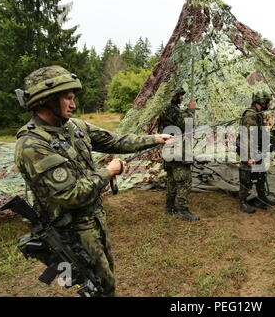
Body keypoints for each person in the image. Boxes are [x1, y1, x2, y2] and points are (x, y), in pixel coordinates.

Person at [14, 65, 174, 296]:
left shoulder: (74, 127)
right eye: (67, 99)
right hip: (70, 231)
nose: (73, 104)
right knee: (97, 286)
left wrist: (155, 139)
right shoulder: (32, 145)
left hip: (93, 219)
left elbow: (115, 142)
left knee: (107, 275)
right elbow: (70, 195)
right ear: (46, 100)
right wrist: (108, 171)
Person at [157, 87, 200, 221]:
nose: (181, 97)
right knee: (184, 180)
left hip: (170, 150)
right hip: (176, 151)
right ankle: (183, 210)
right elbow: (187, 124)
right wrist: (191, 110)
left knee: (172, 179)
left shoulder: (170, 109)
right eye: (179, 95)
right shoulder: (170, 109)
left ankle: (169, 206)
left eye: (182, 95)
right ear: (173, 95)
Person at [238, 90, 275, 214]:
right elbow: (249, 137)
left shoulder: (257, 114)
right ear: (261, 102)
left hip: (256, 149)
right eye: (267, 102)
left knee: (261, 175)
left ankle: (261, 198)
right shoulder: (250, 115)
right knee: (246, 176)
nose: (268, 105)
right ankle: (243, 201)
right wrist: (250, 156)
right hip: (248, 150)